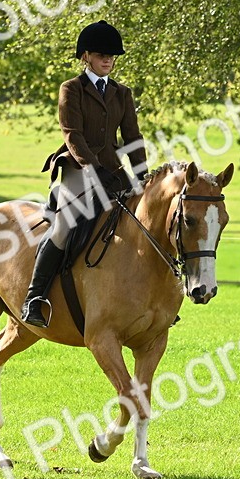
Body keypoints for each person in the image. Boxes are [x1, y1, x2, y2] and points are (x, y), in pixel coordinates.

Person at [20, 20, 148, 328]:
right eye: (102, 55)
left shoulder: (122, 93)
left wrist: (143, 175)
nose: (108, 60)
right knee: (64, 227)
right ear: (86, 56)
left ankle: (149, 299)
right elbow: (72, 135)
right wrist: (93, 170)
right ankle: (34, 298)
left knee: (142, 223)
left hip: (114, 173)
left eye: (112, 56)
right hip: (79, 169)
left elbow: (132, 136)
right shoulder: (72, 89)